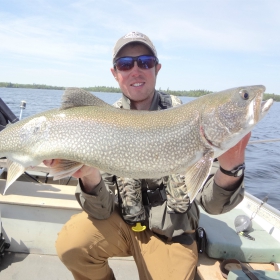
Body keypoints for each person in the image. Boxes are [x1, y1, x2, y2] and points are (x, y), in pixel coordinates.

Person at [44, 31, 250, 280]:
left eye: (144, 62)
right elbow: (100, 212)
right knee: (72, 243)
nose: (135, 70)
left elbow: (212, 205)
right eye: (125, 64)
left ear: (157, 68)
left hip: (170, 235)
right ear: (115, 73)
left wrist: (232, 168)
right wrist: (89, 177)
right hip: (120, 224)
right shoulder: (100, 123)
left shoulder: (191, 118)